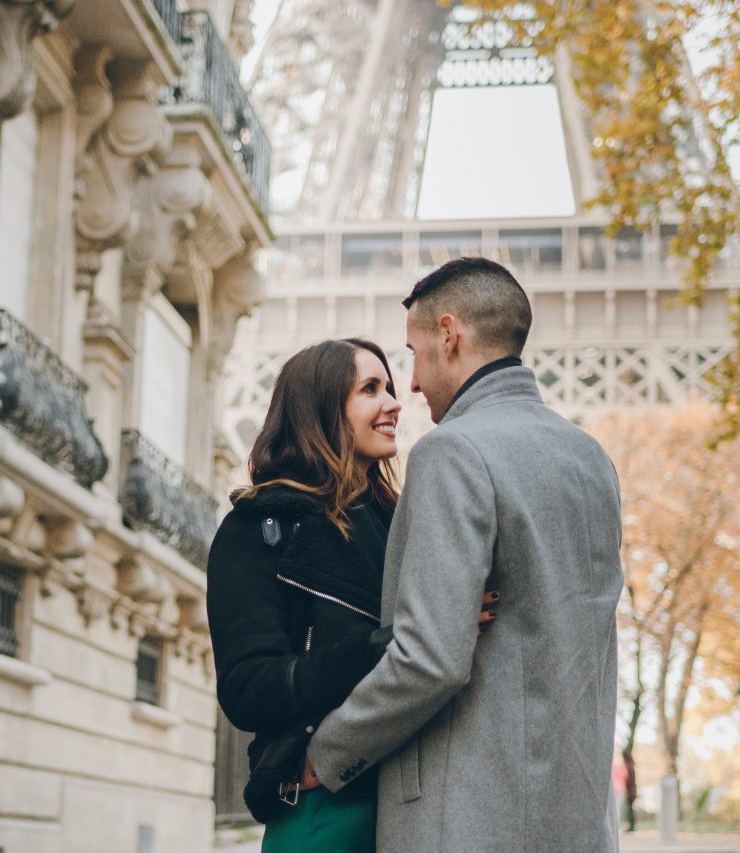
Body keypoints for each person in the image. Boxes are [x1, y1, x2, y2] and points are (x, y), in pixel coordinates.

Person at [306, 257, 625, 853]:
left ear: (449, 335)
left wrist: (327, 753)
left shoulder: (451, 451)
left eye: (415, 354)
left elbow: (431, 659)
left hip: (466, 823)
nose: (416, 383)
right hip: (577, 822)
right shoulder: (591, 459)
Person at [206, 337, 499, 851]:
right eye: (370, 389)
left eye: (389, 386)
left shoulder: (401, 521)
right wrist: (393, 641)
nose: (393, 402)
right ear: (320, 407)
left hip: (420, 802)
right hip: (326, 810)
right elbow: (248, 689)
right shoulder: (259, 528)